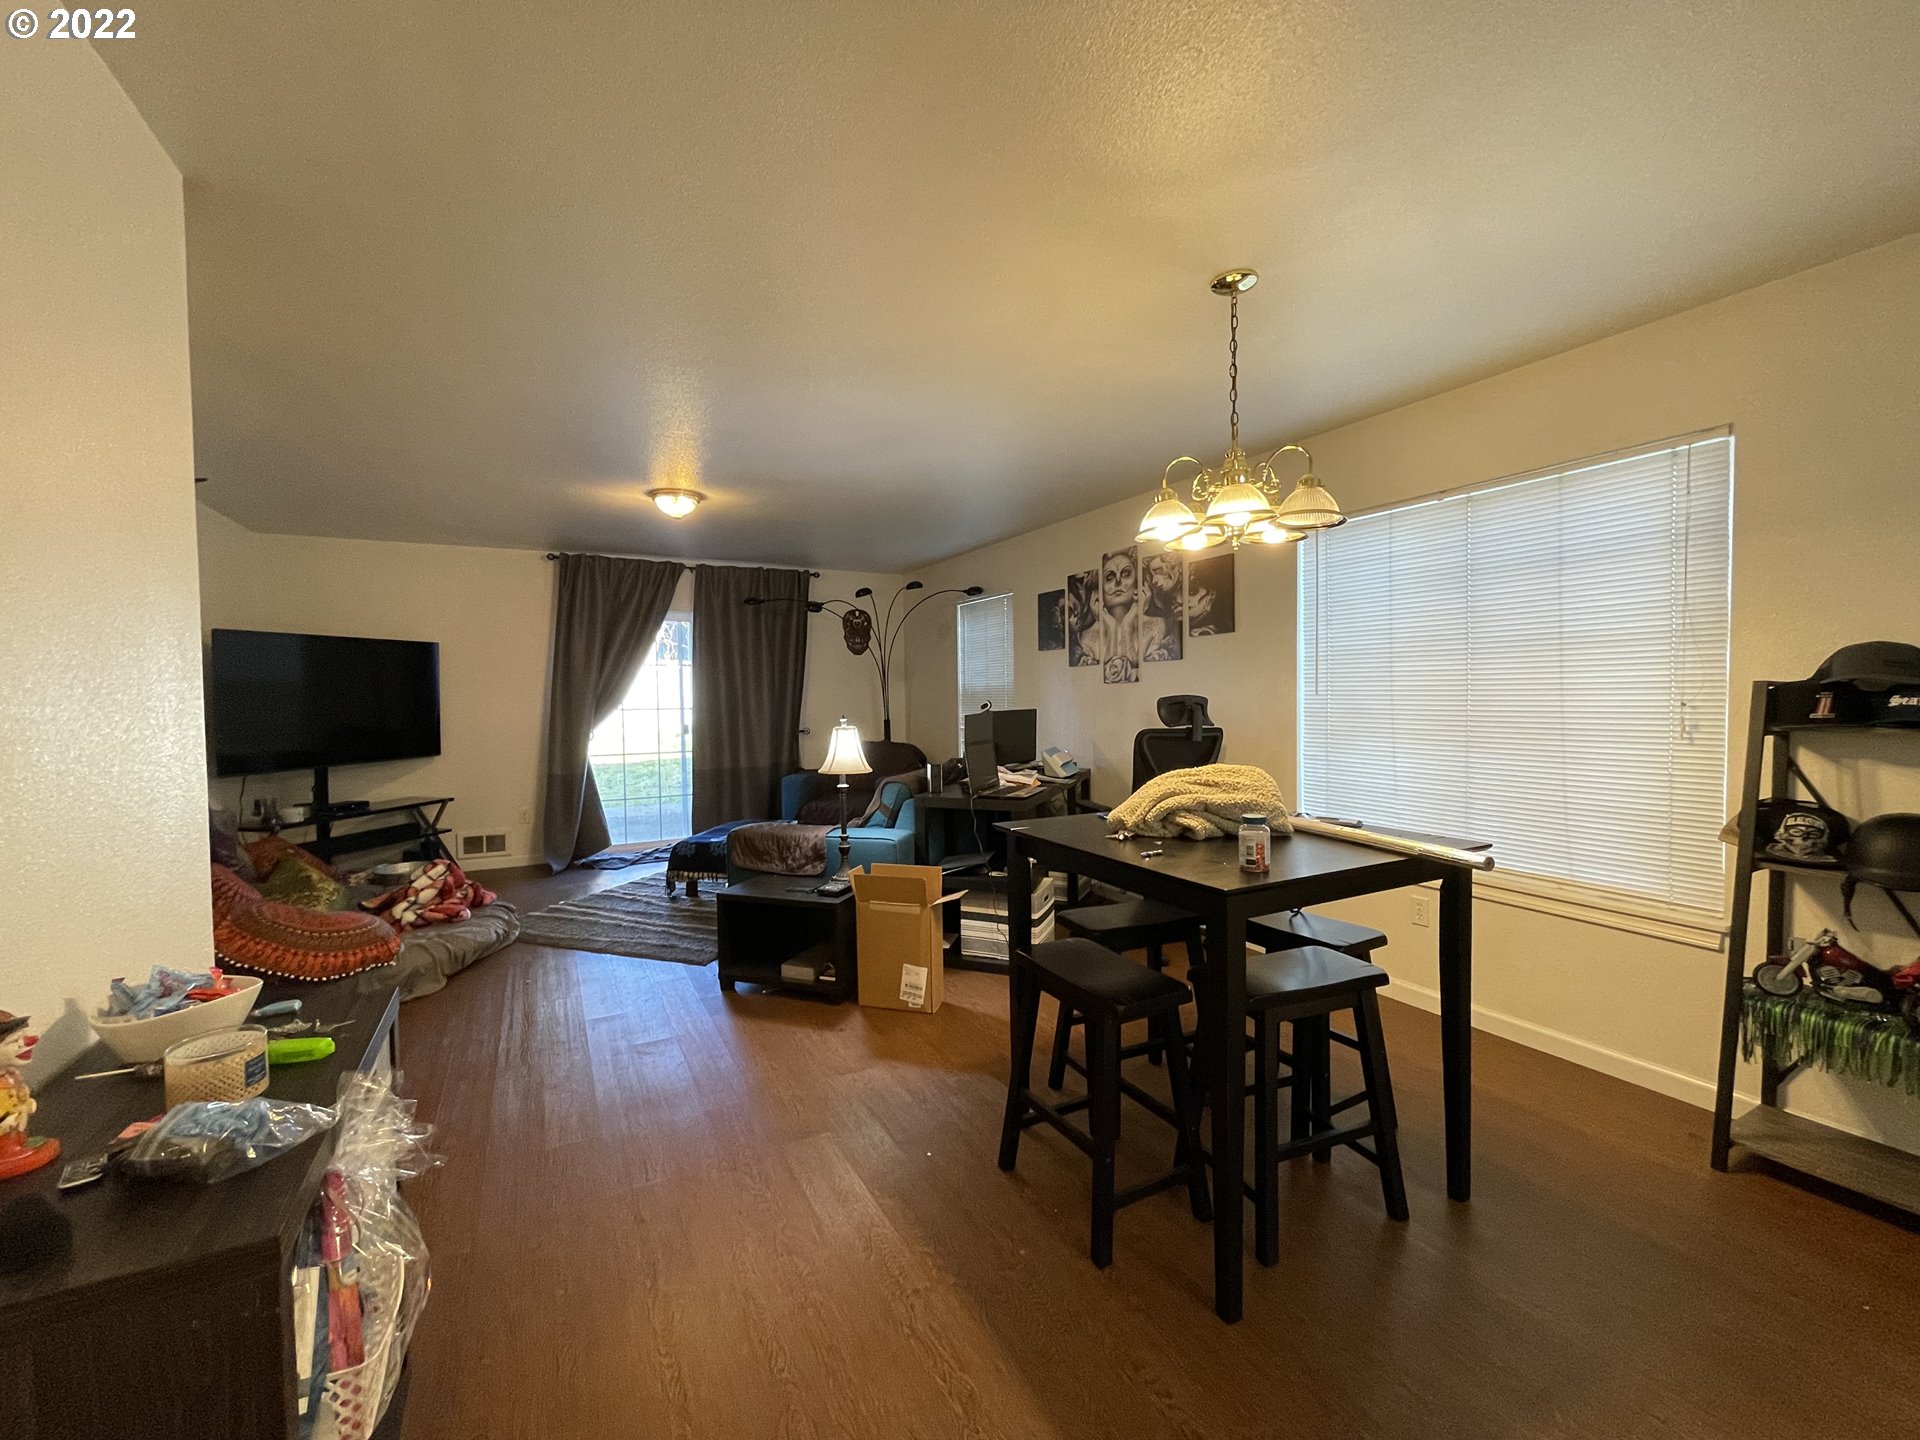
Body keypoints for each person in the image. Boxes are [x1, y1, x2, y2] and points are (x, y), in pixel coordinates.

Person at [1101, 547, 1141, 684]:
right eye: (1110, 577)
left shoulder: (1156, 627)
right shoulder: (1086, 638)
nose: (1118, 582)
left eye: (1125, 574)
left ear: (1137, 584)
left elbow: (1134, 669)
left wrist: (1126, 625)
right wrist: (1112, 628)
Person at [1141, 551, 1183, 661]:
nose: (1154, 580)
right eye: (1152, 575)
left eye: (1158, 571)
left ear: (1174, 567)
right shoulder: (1156, 604)